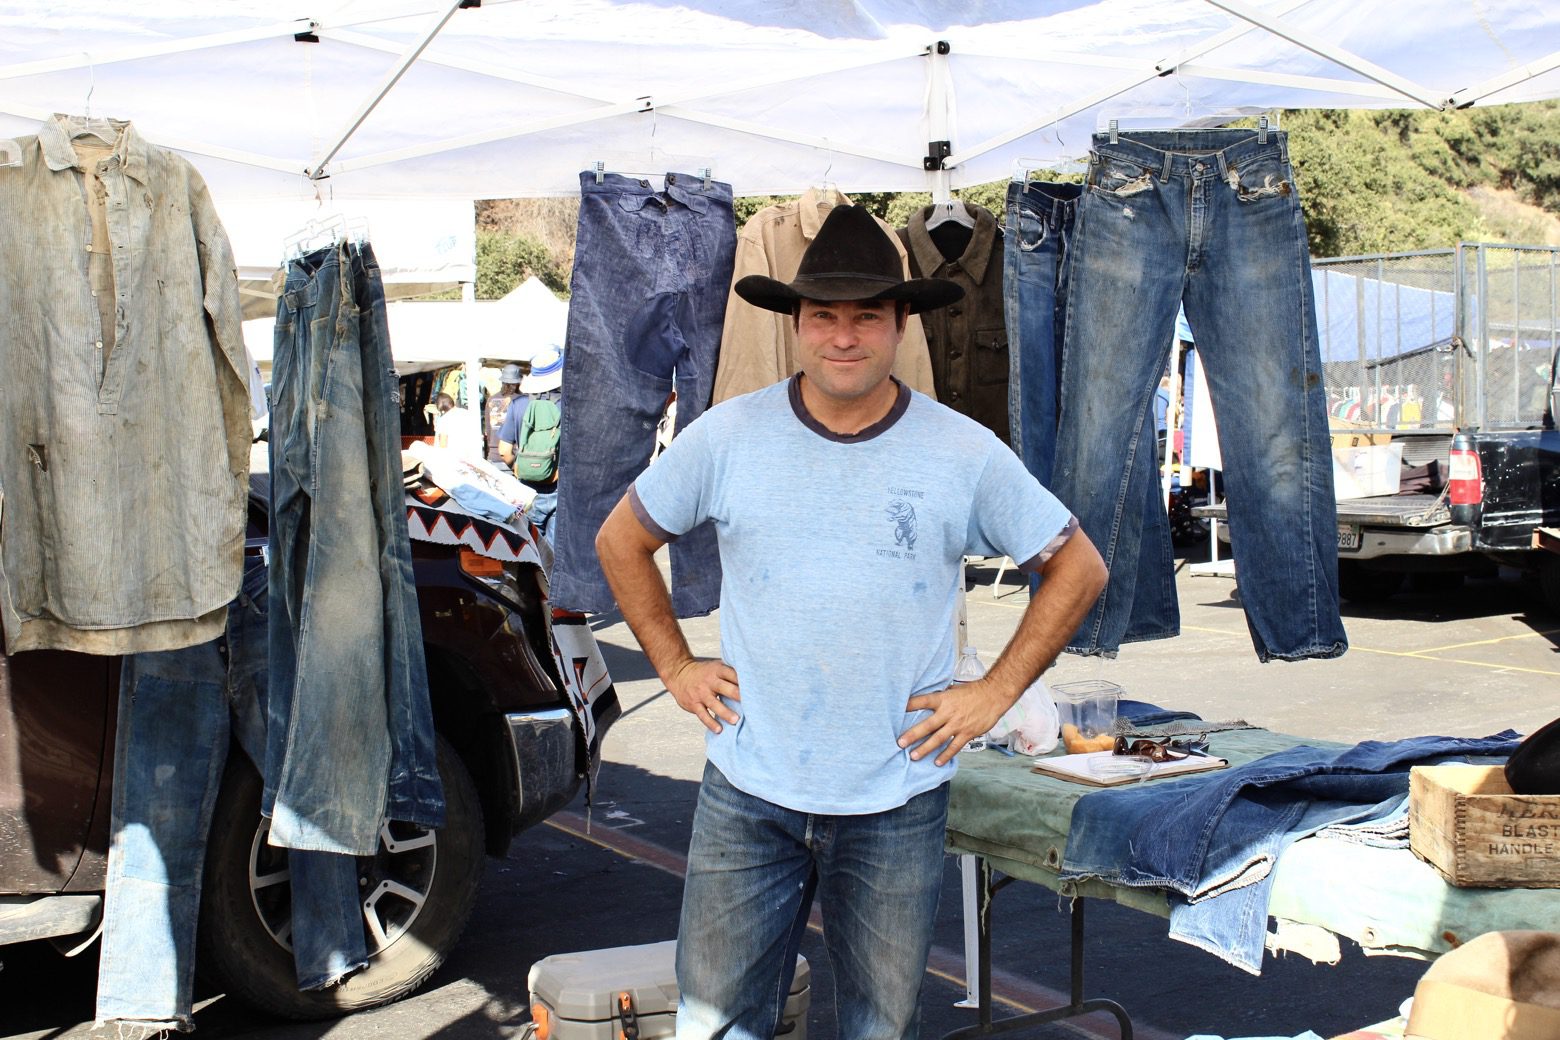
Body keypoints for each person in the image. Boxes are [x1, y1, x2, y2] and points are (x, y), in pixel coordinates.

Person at [594, 204, 1107, 1040]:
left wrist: (993, 692)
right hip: (749, 788)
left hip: (895, 796)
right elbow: (622, 539)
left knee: (877, 1029)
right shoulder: (728, 436)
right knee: (715, 1026)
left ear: (902, 323)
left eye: (867, 314)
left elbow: (1078, 567)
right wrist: (678, 665)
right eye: (823, 314)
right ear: (794, 324)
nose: (844, 336)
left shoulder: (960, 450)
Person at [500, 346, 565, 541]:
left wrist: (519, 468)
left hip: (527, 490)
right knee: (555, 557)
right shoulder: (570, 406)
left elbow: (504, 450)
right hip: (558, 488)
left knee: (531, 551)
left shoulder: (518, 404)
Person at [485, 362, 528, 467]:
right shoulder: (523, 401)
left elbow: (488, 431)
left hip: (493, 456)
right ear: (518, 382)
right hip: (514, 457)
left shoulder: (492, 399)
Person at [428, 391, 482, 461]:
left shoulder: (444, 420)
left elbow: (443, 444)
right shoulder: (467, 414)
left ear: (441, 408)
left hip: (453, 459)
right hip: (471, 457)